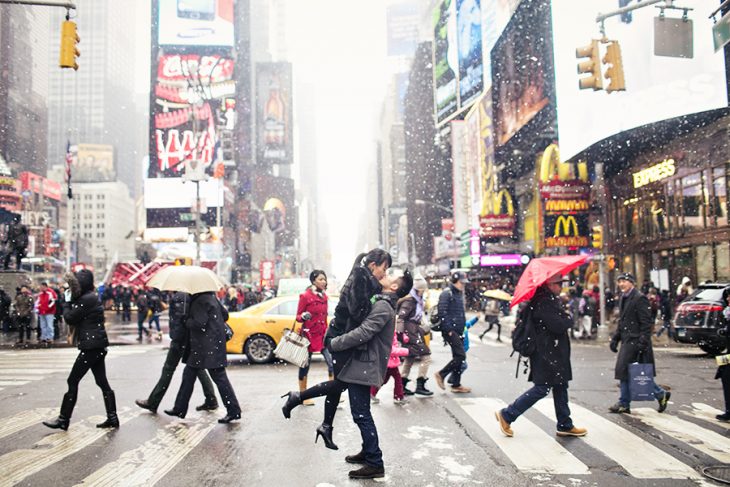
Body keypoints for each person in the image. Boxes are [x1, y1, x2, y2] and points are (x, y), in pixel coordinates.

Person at [280, 249, 391, 451]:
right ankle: (300, 399)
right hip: (339, 337)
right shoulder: (361, 277)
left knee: (339, 384)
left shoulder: (362, 277)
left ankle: (325, 424)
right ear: (373, 265)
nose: (385, 273)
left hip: (338, 335)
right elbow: (358, 312)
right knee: (340, 383)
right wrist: (378, 294)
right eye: (384, 268)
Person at [329, 267, 413, 479]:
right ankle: (369, 452)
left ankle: (375, 462)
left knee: (361, 414)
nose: (387, 273)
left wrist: (336, 343)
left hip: (365, 364)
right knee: (361, 411)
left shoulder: (384, 306)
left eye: (392, 275)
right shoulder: (381, 301)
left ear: (394, 286)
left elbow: (364, 332)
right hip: (365, 363)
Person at [495, 273, 587, 438]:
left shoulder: (546, 300)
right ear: (550, 284)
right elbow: (558, 325)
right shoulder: (545, 301)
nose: (561, 286)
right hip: (546, 353)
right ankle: (507, 414)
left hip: (551, 352)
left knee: (560, 385)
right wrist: (568, 318)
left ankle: (565, 424)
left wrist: (563, 314)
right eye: (559, 283)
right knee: (542, 388)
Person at [43, 270, 118, 430]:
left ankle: (64, 419)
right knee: (102, 382)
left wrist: (66, 302)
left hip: (91, 347)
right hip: (97, 345)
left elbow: (70, 318)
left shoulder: (87, 299)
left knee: (73, 380)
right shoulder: (90, 296)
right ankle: (112, 417)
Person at [165, 290, 241, 423]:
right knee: (189, 375)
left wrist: (186, 320)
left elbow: (199, 324)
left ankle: (233, 410)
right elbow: (225, 315)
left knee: (219, 378)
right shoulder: (211, 298)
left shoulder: (199, 301)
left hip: (205, 348)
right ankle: (179, 408)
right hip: (210, 346)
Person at [136, 291, 218, 414]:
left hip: (180, 340)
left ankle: (153, 401)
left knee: (168, 369)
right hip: (191, 339)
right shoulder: (192, 296)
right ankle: (211, 399)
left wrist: (176, 338)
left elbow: (179, 321)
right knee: (198, 368)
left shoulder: (179, 297)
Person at [609, 273, 671, 414]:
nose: (621, 284)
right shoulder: (623, 298)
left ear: (632, 283)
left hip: (636, 340)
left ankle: (625, 402)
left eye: (624, 281)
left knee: (630, 372)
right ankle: (659, 394)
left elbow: (646, 322)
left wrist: (643, 341)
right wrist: (616, 338)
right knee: (627, 372)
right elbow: (622, 320)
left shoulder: (639, 298)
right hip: (627, 340)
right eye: (619, 281)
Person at [294, 270, 333, 406]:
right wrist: (303, 315)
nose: (324, 282)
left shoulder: (325, 297)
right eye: (321, 279)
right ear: (314, 281)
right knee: (305, 365)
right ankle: (303, 395)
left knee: (332, 363)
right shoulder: (305, 296)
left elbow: (324, 317)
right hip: (309, 335)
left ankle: (334, 393)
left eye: (325, 279)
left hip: (323, 335)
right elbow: (298, 317)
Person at [434, 271, 471, 393]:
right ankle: (441, 374)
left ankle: (456, 384)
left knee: (458, 357)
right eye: (461, 283)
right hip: (451, 331)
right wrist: (449, 330)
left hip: (459, 330)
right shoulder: (447, 293)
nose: (463, 285)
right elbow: (442, 312)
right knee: (461, 356)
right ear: (455, 281)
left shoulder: (458, 294)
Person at [397, 276, 433, 396]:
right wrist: (401, 335)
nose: (424, 291)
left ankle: (401, 386)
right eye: (423, 289)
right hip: (411, 332)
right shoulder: (410, 301)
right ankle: (420, 384)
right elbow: (401, 318)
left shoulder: (416, 299)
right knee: (426, 356)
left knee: (410, 358)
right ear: (419, 289)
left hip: (413, 331)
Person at [370, 328, 410, 405]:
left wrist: (404, 337)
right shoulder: (387, 331)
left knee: (383, 379)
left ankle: (372, 393)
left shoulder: (389, 330)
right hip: (389, 361)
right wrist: (406, 351)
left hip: (389, 361)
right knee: (398, 379)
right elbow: (390, 350)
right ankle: (398, 397)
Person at [715, 286, 730, 422]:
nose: (728, 298)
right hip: (728, 354)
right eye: (727, 296)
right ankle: (728, 410)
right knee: (724, 376)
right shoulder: (727, 313)